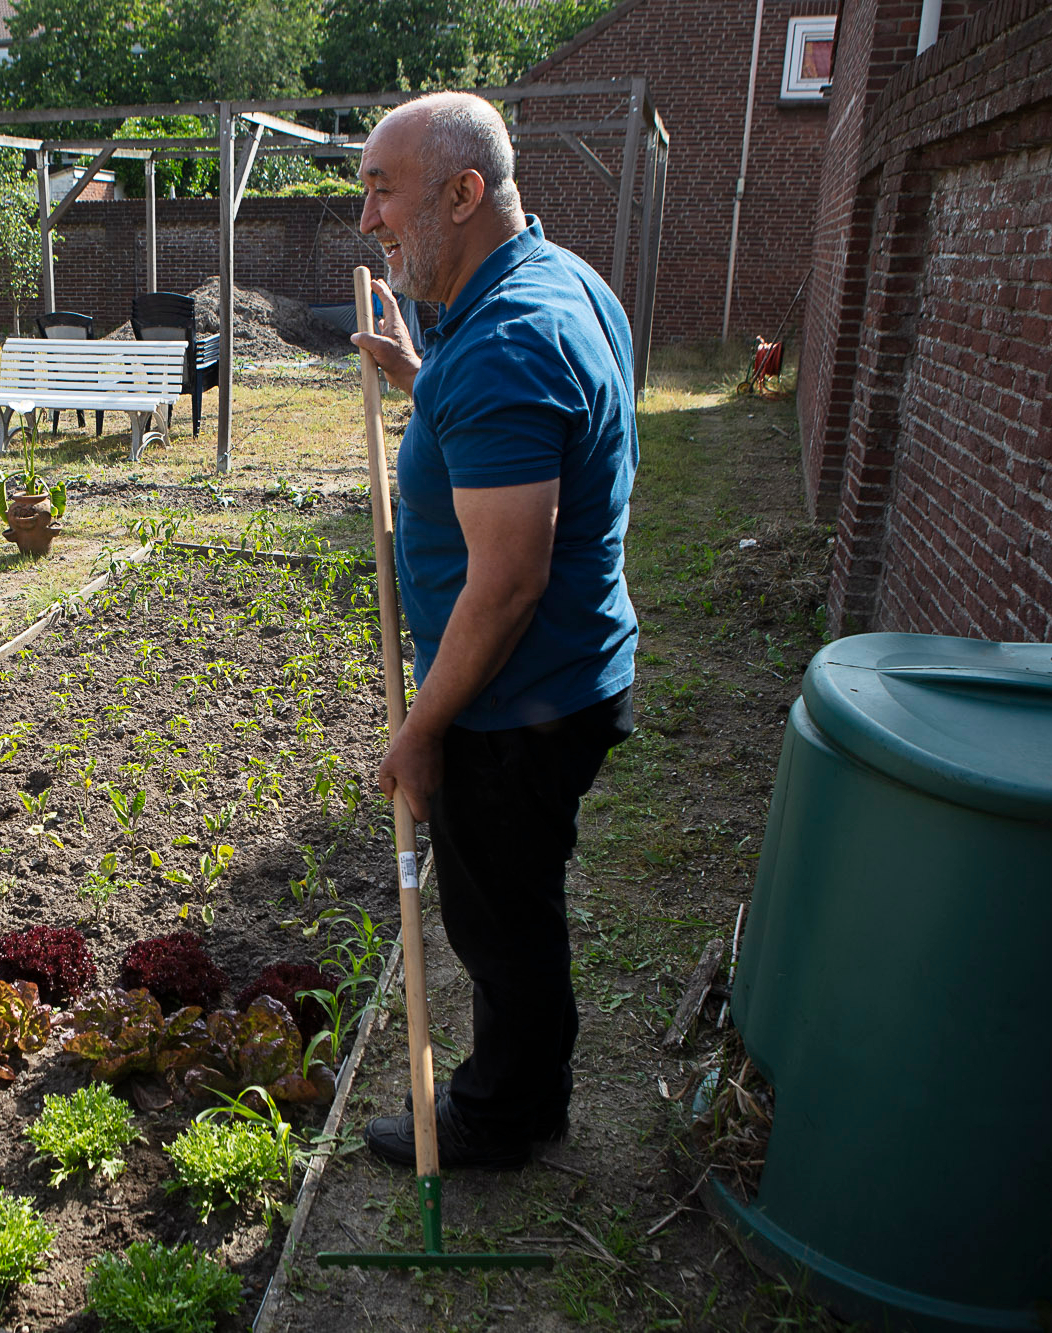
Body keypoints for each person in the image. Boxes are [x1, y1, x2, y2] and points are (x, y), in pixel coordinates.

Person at [352, 93, 639, 1170]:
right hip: (561, 678)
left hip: (515, 703)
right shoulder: (553, 285)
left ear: (462, 193)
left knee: (500, 922)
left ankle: (502, 1118)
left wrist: (422, 728)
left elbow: (507, 582)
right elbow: (526, 446)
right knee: (519, 900)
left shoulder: (507, 341)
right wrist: (422, 383)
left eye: (383, 188)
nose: (366, 218)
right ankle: (523, 1090)